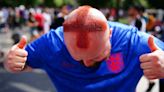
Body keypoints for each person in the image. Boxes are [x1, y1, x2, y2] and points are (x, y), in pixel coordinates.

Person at [4, 6, 164, 92]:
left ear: (110, 34)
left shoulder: (134, 42)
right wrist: (10, 61)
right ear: (64, 39)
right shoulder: (52, 44)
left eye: (96, 56)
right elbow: (21, 63)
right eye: (78, 58)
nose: (87, 63)